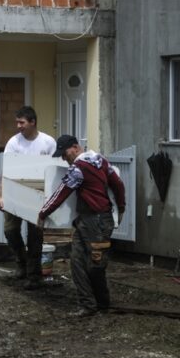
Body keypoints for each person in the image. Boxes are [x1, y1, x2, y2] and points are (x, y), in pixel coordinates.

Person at [38, 135, 125, 318]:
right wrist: (121, 207)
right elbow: (117, 184)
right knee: (77, 261)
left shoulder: (78, 168)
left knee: (94, 264)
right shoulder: (100, 161)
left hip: (96, 221)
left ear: (76, 147)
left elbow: (61, 192)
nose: (63, 158)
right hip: (90, 220)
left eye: (65, 153)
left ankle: (101, 303)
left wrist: (43, 213)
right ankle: (88, 304)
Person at [0, 106, 56, 289]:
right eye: (17, 122)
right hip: (15, 192)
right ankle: (21, 264)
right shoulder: (14, 143)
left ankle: (33, 275)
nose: (18, 126)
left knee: (35, 236)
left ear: (32, 122)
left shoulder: (48, 142)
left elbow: (54, 170)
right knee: (10, 231)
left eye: (21, 122)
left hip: (38, 195)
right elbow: (6, 169)